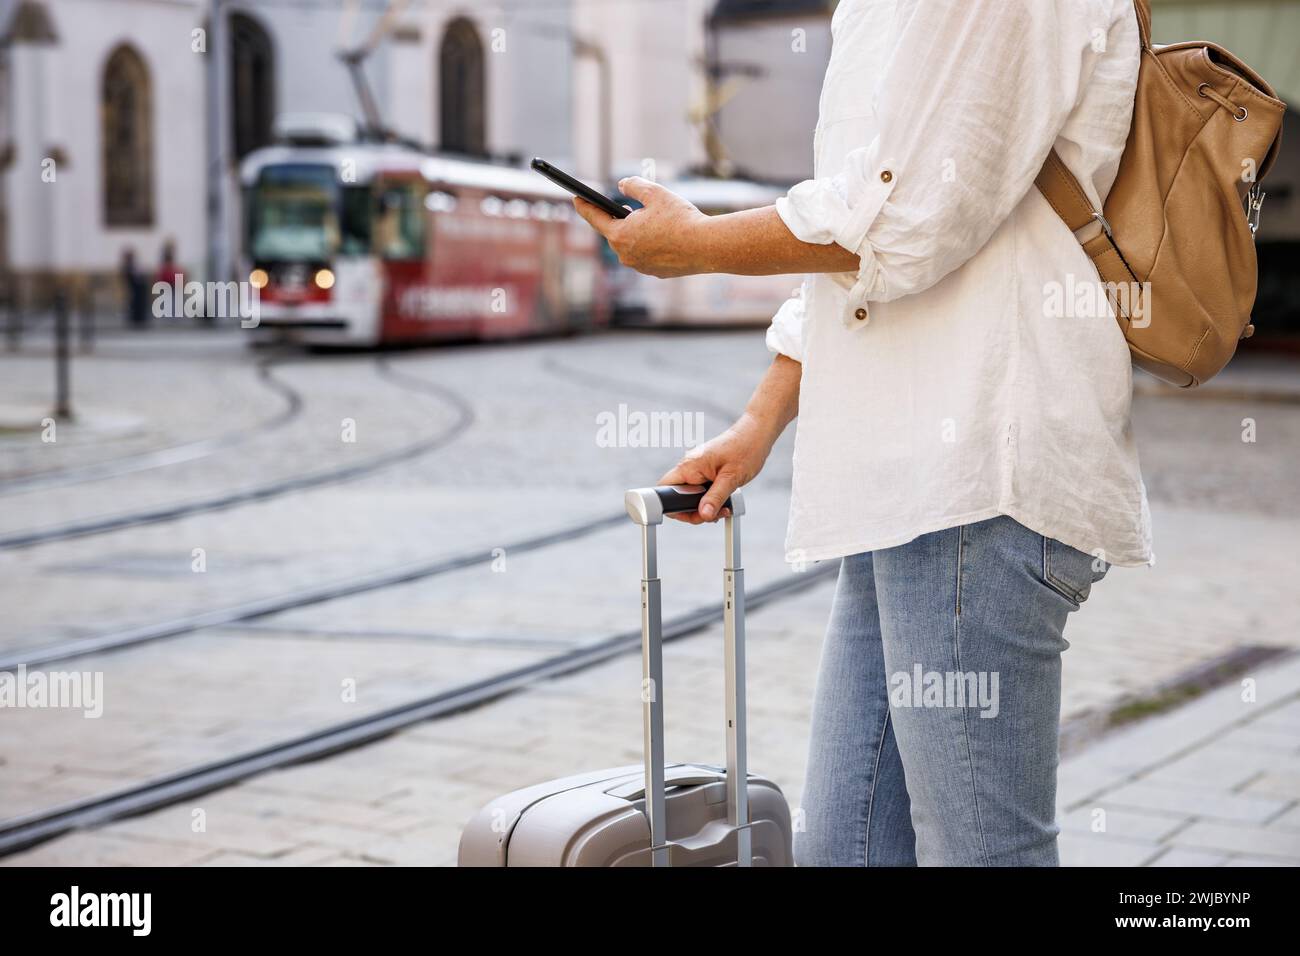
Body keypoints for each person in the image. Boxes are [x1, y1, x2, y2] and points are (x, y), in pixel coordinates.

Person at [573, 0, 1149, 866]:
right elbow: (856, 225)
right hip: (902, 483)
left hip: (978, 474)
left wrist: (698, 245)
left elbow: (909, 218)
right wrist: (762, 419)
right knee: (846, 847)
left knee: (982, 850)